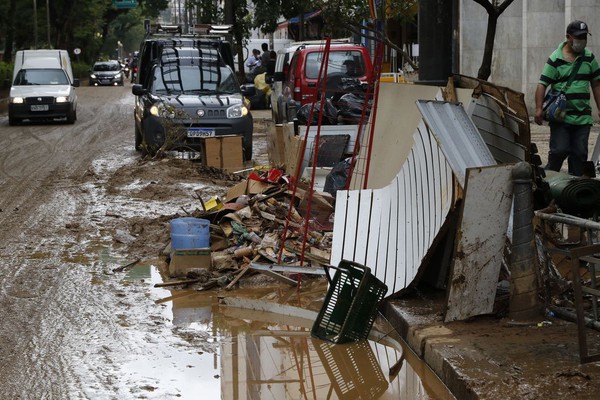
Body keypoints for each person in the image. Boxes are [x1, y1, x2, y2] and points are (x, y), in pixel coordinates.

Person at [534, 20, 600, 176]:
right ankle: (548, 184)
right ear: (568, 37)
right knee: (559, 151)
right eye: (578, 37)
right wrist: (538, 109)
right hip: (561, 117)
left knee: (579, 155)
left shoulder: (589, 58)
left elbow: (596, 84)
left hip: (583, 117)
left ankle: (574, 191)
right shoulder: (555, 59)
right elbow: (542, 84)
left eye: (584, 37)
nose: (581, 41)